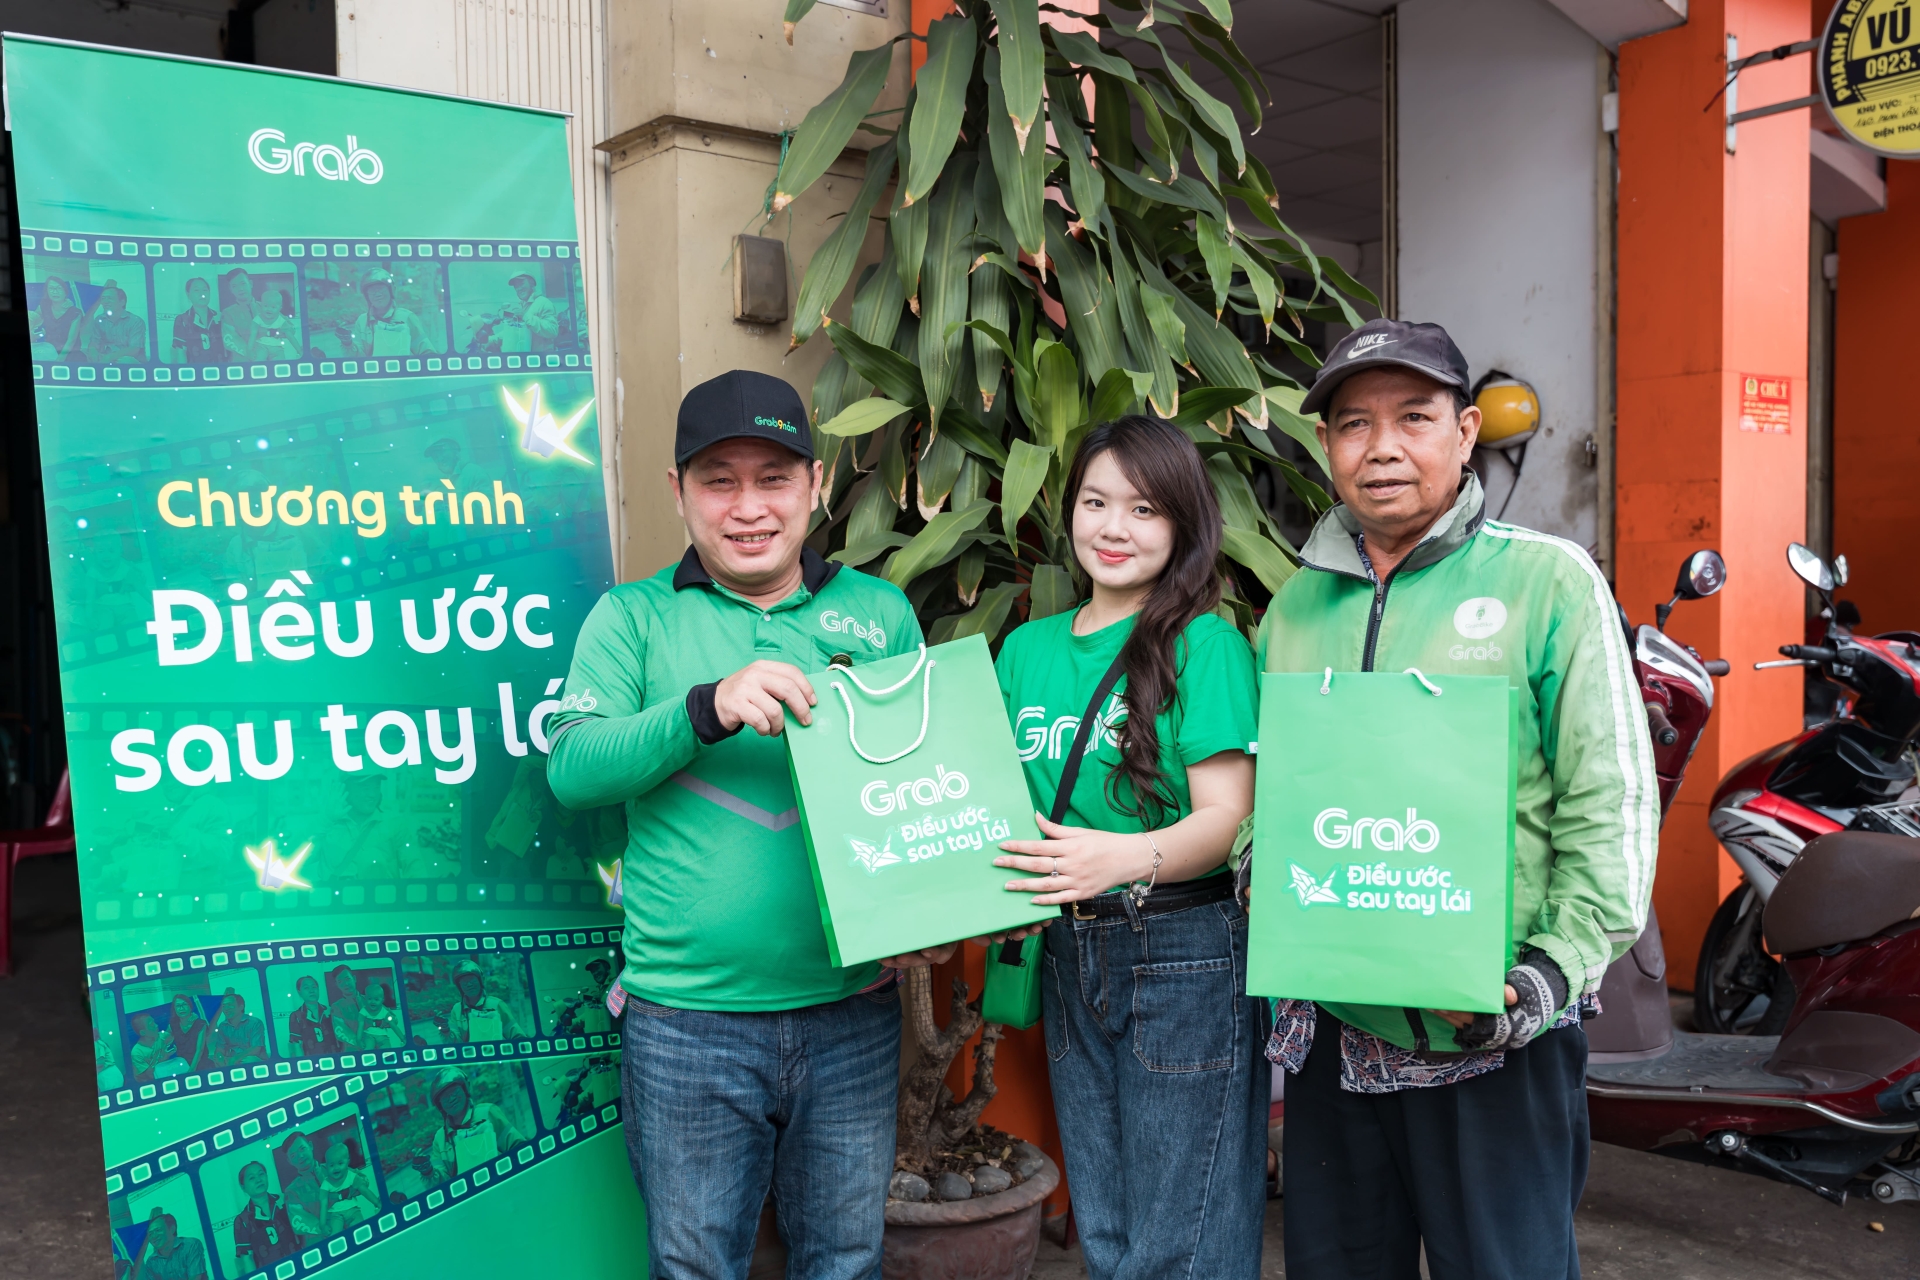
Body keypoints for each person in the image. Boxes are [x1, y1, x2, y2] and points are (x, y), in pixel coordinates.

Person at [1257, 318, 1656, 1280]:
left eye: (1414, 418)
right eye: (1354, 424)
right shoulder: (1294, 606)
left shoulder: (1546, 581)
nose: (1382, 448)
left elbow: (1609, 801)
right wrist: (1259, 871)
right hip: (1335, 1035)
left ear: (1466, 431)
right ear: (1326, 445)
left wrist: (1551, 970)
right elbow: (1271, 791)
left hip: (1493, 1027)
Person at [546, 369, 942, 1280]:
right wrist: (706, 706)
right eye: (719, 480)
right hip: (688, 1023)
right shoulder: (633, 617)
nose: (749, 507)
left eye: (774, 478)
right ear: (678, 492)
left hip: (853, 1013)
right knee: (696, 1266)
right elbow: (574, 768)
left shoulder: (879, 613)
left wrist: (934, 912)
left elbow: (923, 788)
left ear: (816, 485)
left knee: (846, 1261)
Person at [987, 416, 1265, 1278]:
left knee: (1183, 1235)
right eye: (1095, 502)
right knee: (1104, 1226)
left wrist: (1121, 857)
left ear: (1183, 523)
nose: (1114, 528)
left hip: (1182, 950)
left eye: (1144, 509)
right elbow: (986, 801)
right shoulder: (1025, 649)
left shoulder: (1206, 644)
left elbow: (1227, 817)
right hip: (1068, 947)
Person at [425, 1068, 525, 1182]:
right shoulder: (440, 1138)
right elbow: (440, 1182)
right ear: (440, 1105)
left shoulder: (488, 1112)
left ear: (465, 1089)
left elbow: (518, 1145)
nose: (451, 1099)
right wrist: (428, 1172)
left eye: (455, 1091)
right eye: (445, 1097)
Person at [345, 268, 432, 358]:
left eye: (381, 288)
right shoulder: (362, 321)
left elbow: (426, 351)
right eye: (372, 290)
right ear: (367, 295)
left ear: (391, 290)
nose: (377, 294)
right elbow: (358, 357)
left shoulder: (406, 317)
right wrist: (348, 344)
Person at [231, 1161, 298, 1274]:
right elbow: (247, 1259)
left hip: (298, 1265)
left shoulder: (285, 1201)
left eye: (261, 1174)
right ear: (243, 1187)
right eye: (252, 1178)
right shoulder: (242, 1220)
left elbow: (302, 1234)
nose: (258, 1180)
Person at [446, 958, 520, 1043]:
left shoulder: (496, 1004)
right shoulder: (457, 1009)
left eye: (472, 980)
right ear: (459, 986)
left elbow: (516, 1035)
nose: (469, 984)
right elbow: (454, 1042)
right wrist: (445, 1030)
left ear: (480, 980)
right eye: (464, 982)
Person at [317, 1137, 379, 1234]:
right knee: (335, 1235)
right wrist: (323, 1225)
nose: (336, 1168)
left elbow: (364, 1190)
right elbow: (323, 1204)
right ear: (326, 1166)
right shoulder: (326, 1183)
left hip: (353, 1210)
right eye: (331, 1165)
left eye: (340, 1163)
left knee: (361, 1229)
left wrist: (377, 1202)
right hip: (335, 1214)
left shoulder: (352, 1176)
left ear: (348, 1161)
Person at [78, 282, 147, 364]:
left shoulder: (135, 321)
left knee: (125, 361)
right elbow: (94, 342)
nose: (105, 301)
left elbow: (134, 349)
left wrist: (110, 357)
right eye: (103, 298)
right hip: (106, 356)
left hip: (127, 358)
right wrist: (93, 352)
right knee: (81, 354)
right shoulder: (100, 319)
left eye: (110, 298)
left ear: (122, 302)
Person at [128, 1210, 207, 1280]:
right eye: (150, 1234)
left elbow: (195, 1277)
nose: (154, 1236)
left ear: (172, 1229)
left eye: (158, 1230)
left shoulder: (190, 1245)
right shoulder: (152, 1261)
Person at [493, 271, 560, 353]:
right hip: (525, 356)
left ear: (531, 284)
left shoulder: (544, 303)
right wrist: (492, 339)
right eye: (516, 286)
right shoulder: (523, 306)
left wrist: (526, 316)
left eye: (521, 284)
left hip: (540, 358)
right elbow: (514, 332)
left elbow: (552, 331)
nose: (519, 288)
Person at [278, 1133, 324, 1244]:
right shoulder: (291, 1192)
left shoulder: (334, 1170)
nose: (300, 1156)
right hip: (319, 1243)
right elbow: (300, 1223)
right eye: (293, 1155)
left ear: (310, 1146)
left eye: (302, 1149)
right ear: (289, 1161)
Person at [169, 277, 223, 366]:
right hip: (195, 370)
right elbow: (180, 352)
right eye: (196, 290)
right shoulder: (182, 320)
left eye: (205, 290)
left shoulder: (220, 317)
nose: (202, 294)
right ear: (188, 294)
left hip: (220, 369)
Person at [209, 990, 269, 1070]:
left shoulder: (255, 1023)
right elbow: (220, 1047)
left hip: (252, 1058)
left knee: (250, 1060)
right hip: (233, 1059)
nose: (226, 1009)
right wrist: (219, 1057)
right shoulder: (223, 1026)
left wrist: (235, 1059)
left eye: (229, 1005)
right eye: (224, 1006)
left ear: (241, 1007)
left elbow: (256, 1048)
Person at [286, 976, 338, 1060]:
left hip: (334, 1059)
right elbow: (297, 1045)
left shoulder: (330, 1011)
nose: (311, 990)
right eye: (306, 988)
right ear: (299, 992)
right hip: (312, 1062)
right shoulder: (296, 1016)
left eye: (314, 987)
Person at [32, 274, 83, 360]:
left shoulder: (75, 313)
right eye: (51, 288)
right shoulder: (43, 307)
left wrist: (59, 360)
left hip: (70, 354)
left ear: (65, 291)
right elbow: (33, 322)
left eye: (59, 288)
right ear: (47, 291)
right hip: (49, 351)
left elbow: (71, 341)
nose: (55, 291)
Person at [248, 287, 300, 360]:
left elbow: (291, 336)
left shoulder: (281, 320)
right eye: (266, 306)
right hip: (261, 346)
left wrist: (299, 350)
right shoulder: (257, 319)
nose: (269, 309)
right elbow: (252, 336)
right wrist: (249, 350)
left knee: (280, 361)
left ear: (279, 308)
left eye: (273, 307)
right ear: (261, 305)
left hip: (277, 348)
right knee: (258, 358)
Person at [128, 1013, 179, 1085]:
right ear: (143, 1032)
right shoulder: (137, 1052)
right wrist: (165, 1057)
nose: (156, 1025)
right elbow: (151, 1075)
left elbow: (172, 1033)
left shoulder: (161, 1037)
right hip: (148, 1082)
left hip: (164, 1071)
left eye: (154, 1022)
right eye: (152, 1024)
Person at [167, 995, 211, 1076]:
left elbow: (199, 1050)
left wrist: (191, 1070)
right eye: (178, 1006)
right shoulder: (173, 1025)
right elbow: (165, 1042)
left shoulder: (200, 1024)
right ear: (174, 1009)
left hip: (200, 1063)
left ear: (190, 1006)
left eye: (184, 1004)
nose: (181, 1008)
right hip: (181, 1064)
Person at [219, 269, 257, 358]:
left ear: (250, 284)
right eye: (234, 286)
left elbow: (286, 328)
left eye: (243, 283)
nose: (240, 289)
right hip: (242, 362)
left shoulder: (266, 308)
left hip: (268, 361)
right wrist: (253, 355)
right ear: (231, 290)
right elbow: (230, 340)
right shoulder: (227, 313)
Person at [358, 981, 404, 1048]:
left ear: (382, 1000)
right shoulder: (363, 1011)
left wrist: (402, 1038)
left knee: (387, 1049)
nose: (373, 1002)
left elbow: (394, 1026)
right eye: (369, 999)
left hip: (383, 1037)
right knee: (368, 1048)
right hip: (369, 1035)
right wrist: (359, 1040)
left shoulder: (385, 1011)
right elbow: (360, 1027)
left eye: (376, 999)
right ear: (365, 999)